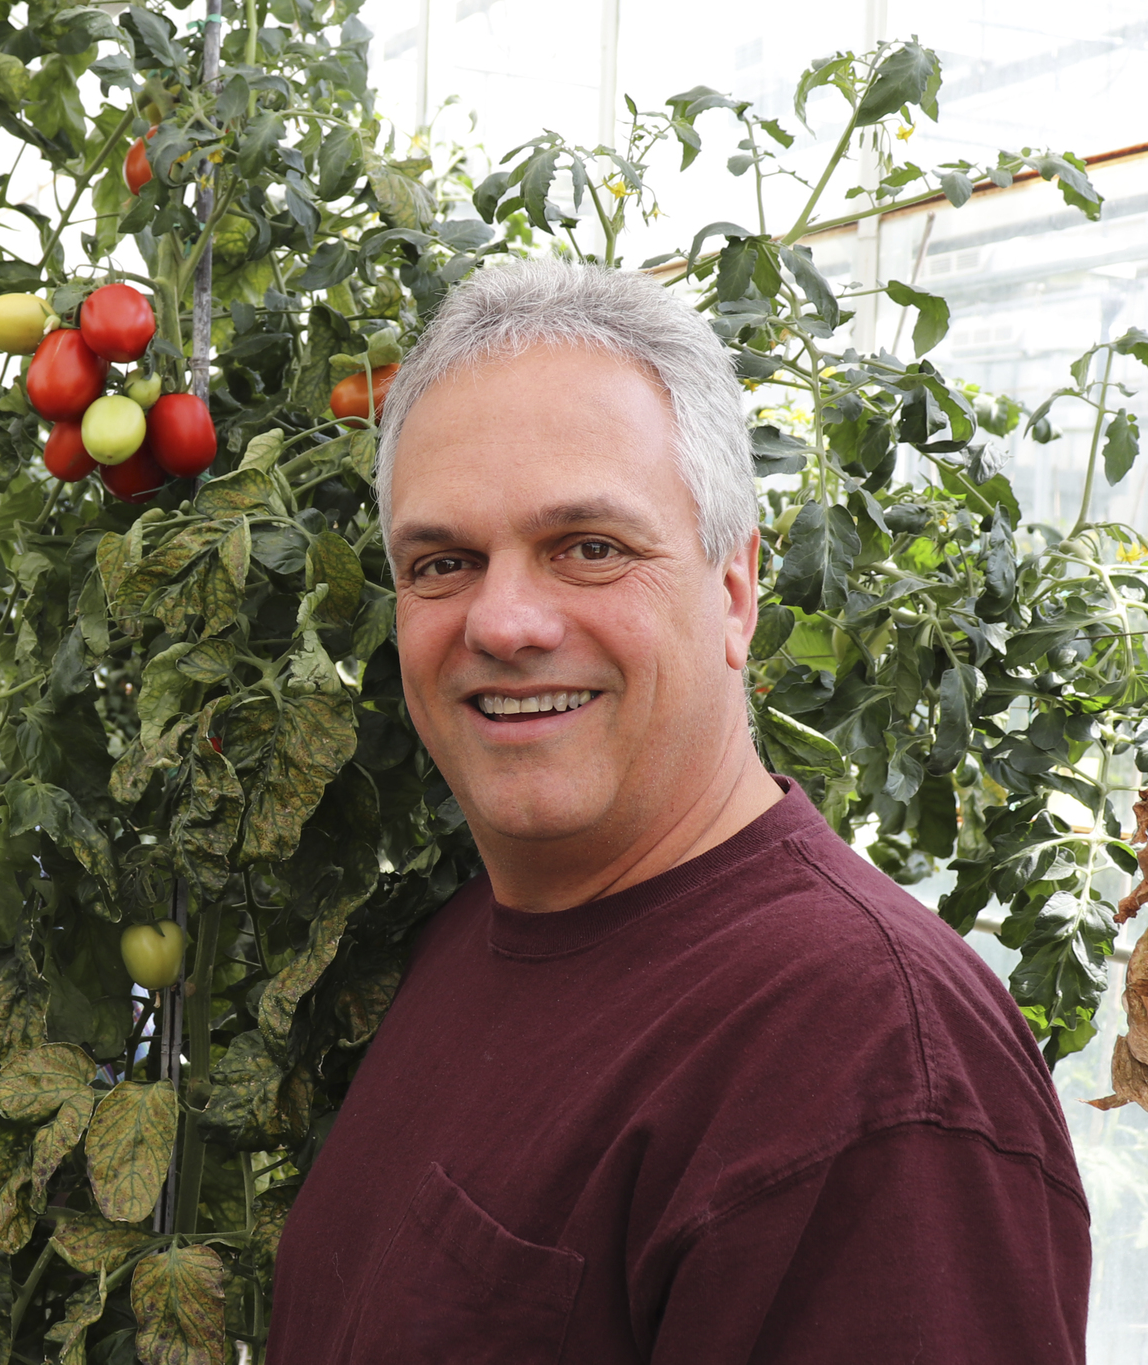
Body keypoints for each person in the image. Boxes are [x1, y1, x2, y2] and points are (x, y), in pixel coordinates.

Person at [266, 260, 1090, 1362]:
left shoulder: (865, 1066)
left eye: (589, 549)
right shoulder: (480, 935)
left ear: (735, 593)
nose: (502, 621)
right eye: (443, 562)